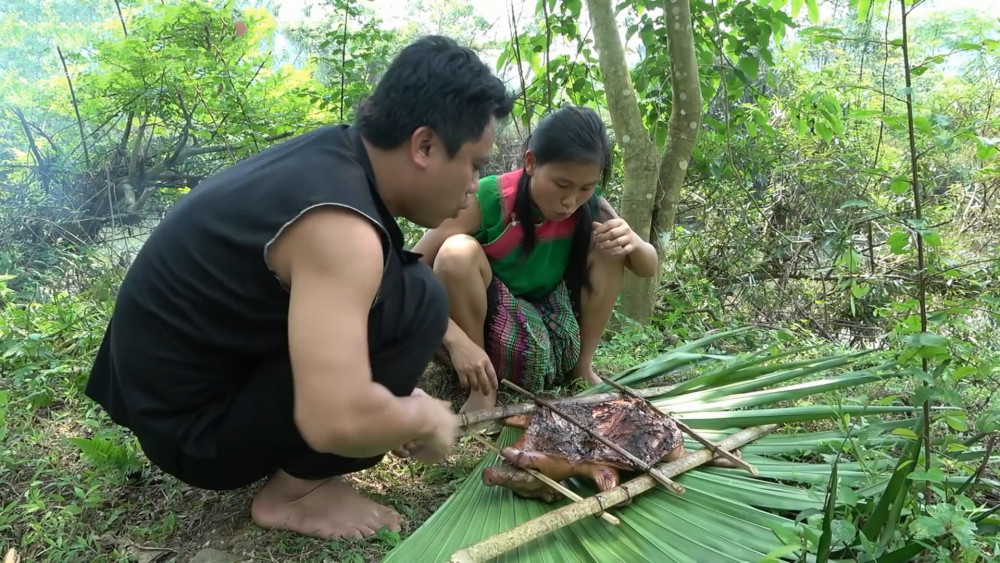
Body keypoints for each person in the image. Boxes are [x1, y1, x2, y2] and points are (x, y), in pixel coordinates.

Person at [84, 35, 515, 540]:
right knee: (417, 301)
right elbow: (334, 419)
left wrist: (388, 399)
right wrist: (414, 416)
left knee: (405, 285)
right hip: (193, 432)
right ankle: (297, 494)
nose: (473, 185)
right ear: (424, 146)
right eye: (475, 164)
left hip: (169, 392)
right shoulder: (341, 228)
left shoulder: (335, 159)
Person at [412, 106, 659, 421]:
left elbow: (646, 267)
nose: (571, 201)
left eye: (586, 188)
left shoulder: (590, 206)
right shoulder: (488, 198)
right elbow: (411, 267)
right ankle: (482, 387)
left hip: (549, 326)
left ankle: (581, 369)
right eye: (561, 184)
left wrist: (635, 242)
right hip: (482, 330)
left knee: (612, 244)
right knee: (455, 253)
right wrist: (456, 340)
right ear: (531, 163)